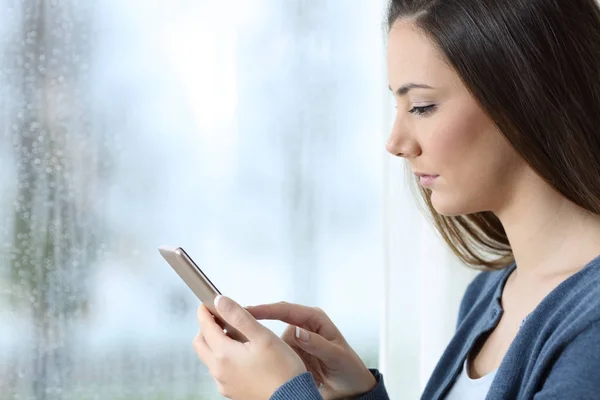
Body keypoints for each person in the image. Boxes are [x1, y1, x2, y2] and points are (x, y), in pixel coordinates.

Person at [191, 0, 600, 398]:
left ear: (526, 96)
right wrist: (358, 395)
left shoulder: (593, 324)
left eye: (422, 107)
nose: (395, 142)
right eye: (397, 105)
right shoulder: (488, 295)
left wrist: (283, 395)